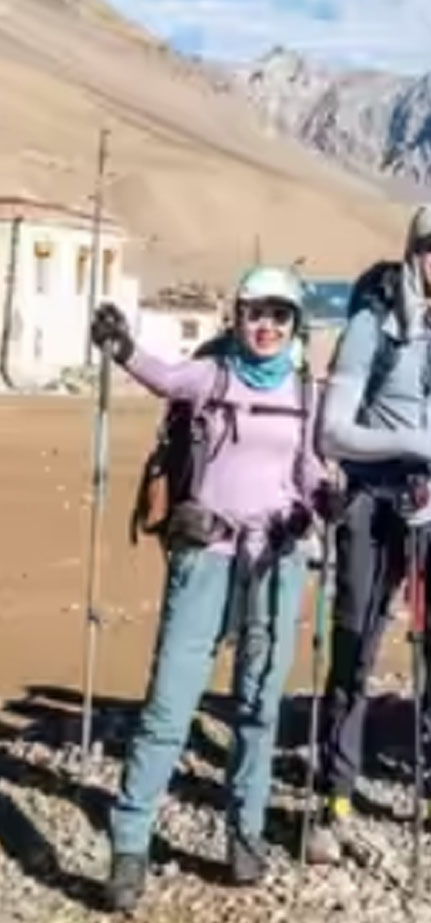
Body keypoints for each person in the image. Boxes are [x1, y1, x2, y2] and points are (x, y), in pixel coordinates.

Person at [91, 266, 331, 912]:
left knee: (257, 706)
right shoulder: (212, 374)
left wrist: (320, 498)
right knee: (169, 705)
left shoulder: (305, 389)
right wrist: (120, 344)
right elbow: (163, 377)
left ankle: (244, 834)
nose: (267, 326)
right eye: (256, 312)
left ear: (295, 324)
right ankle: (130, 844)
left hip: (275, 563)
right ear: (237, 314)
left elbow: (308, 467)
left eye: (280, 315)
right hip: (206, 558)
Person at [306, 203, 431, 862]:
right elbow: (333, 431)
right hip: (374, 498)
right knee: (355, 639)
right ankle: (335, 788)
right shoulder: (372, 325)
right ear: (412, 251)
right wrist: (410, 442)